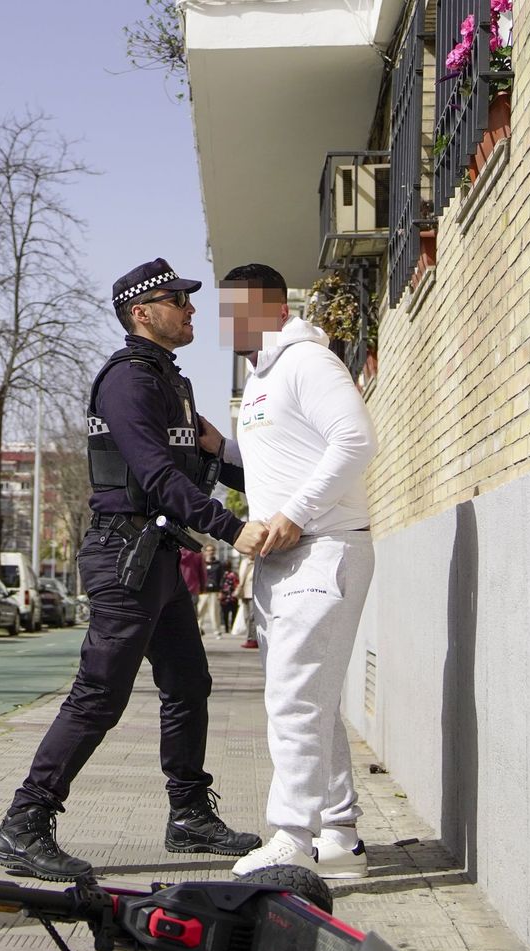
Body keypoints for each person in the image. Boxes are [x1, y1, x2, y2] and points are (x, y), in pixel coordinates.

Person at [0, 258, 266, 881]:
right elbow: (157, 476)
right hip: (124, 554)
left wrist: (266, 485)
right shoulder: (129, 381)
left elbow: (203, 461)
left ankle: (189, 814)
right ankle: (24, 823)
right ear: (142, 313)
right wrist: (233, 528)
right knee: (99, 694)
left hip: (159, 552)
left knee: (188, 684)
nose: (191, 310)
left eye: (189, 300)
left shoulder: (170, 381)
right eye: (178, 301)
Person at [215, 264, 378, 881]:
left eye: (242, 310)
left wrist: (296, 513)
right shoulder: (262, 378)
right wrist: (219, 450)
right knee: (313, 700)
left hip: (324, 547)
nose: (231, 324)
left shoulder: (308, 361)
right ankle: (339, 836)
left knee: (293, 700)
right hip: (280, 561)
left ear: (278, 309)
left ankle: (292, 836)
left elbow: (356, 440)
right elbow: (281, 458)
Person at [196, 544, 224, 635]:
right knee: (200, 611)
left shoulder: (218, 564)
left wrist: (221, 591)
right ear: (205, 552)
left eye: (212, 550)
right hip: (202, 592)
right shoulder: (201, 563)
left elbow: (222, 578)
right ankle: (198, 628)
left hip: (214, 591)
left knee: (214, 612)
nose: (210, 552)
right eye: (208, 550)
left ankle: (217, 630)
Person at [236, 554, 257, 647]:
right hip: (244, 593)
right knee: (246, 617)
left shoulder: (258, 562)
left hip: (253, 593)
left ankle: (253, 639)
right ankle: (249, 638)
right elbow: (241, 577)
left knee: (253, 617)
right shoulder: (244, 562)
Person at [218, 562, 240, 634]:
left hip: (224, 597)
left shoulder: (222, 575)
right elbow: (237, 584)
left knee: (225, 614)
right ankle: (232, 626)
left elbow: (220, 585)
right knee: (233, 613)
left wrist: (220, 592)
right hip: (233, 597)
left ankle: (227, 628)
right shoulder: (234, 574)